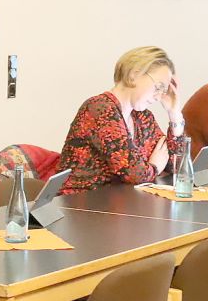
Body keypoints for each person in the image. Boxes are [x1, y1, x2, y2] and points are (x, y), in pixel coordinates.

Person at [58, 46, 184, 195]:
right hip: (79, 205)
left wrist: (174, 113)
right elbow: (134, 174)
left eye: (163, 90)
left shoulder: (142, 116)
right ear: (134, 75)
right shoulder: (99, 108)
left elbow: (177, 166)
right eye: (158, 87)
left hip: (118, 205)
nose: (159, 96)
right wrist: (155, 167)